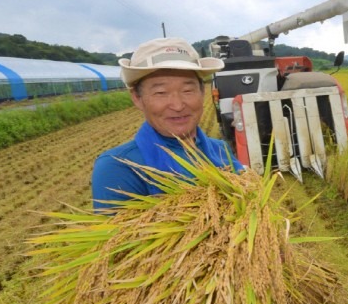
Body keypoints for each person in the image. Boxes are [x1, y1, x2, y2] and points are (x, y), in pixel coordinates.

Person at [92, 37, 243, 211]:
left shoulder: (220, 150)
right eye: (161, 92)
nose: (178, 105)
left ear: (202, 93)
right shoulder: (118, 167)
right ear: (137, 98)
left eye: (188, 90)